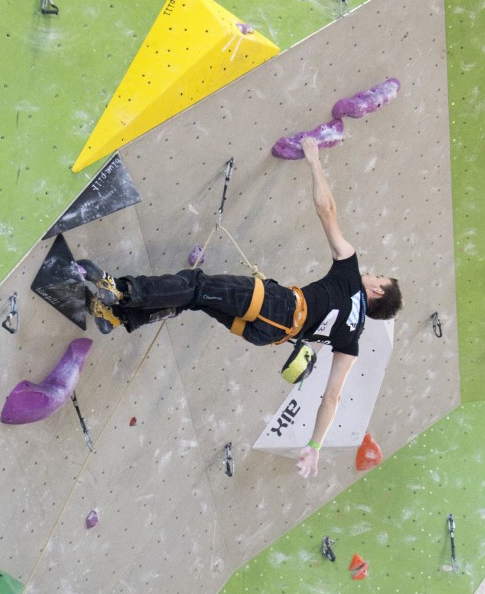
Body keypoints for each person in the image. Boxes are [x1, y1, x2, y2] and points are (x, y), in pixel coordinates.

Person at [81, 136, 401, 478]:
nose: (371, 273)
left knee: (197, 285)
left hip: (277, 305)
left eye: (378, 275)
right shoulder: (352, 339)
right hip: (265, 334)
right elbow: (332, 398)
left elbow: (327, 211)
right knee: (194, 299)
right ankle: (119, 315)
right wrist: (314, 446)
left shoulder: (351, 273)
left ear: (378, 290)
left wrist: (314, 161)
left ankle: (123, 293)